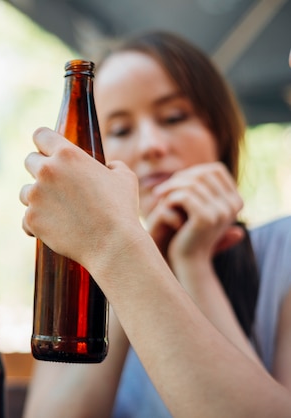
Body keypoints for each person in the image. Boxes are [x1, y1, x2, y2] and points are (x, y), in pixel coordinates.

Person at [20, 32, 291, 417]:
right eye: (119, 130)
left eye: (174, 117)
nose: (150, 145)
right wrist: (138, 254)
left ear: (221, 131)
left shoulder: (285, 247)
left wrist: (192, 263)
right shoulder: (88, 269)